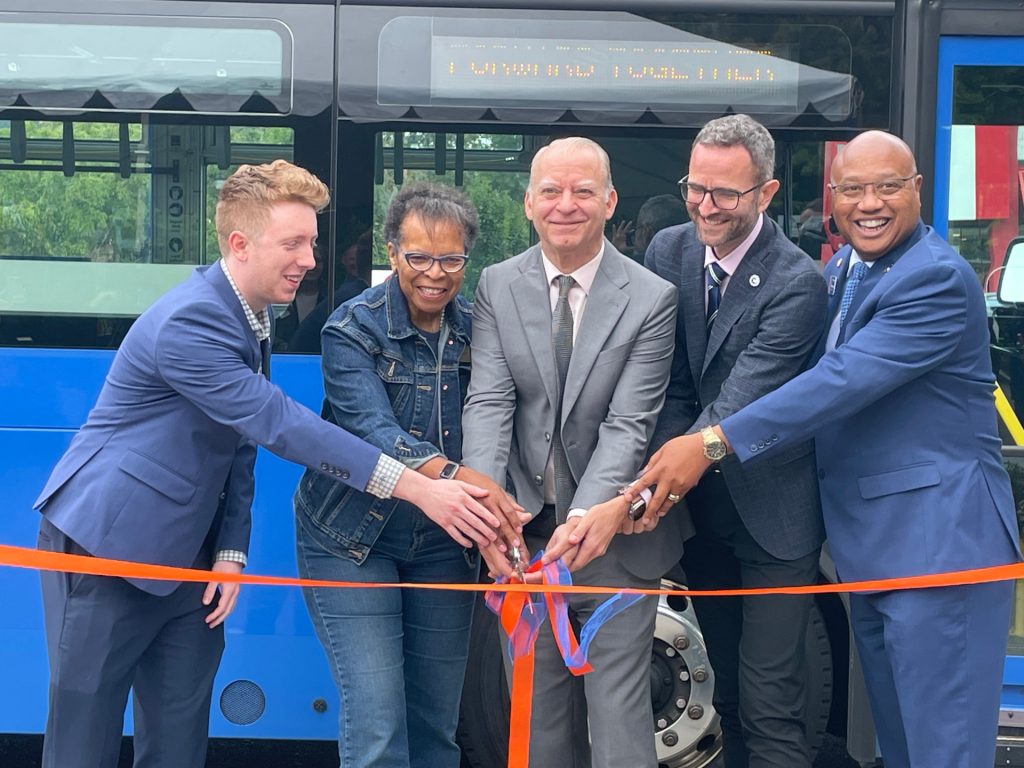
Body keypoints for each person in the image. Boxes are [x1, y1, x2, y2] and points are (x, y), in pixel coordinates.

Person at [33, 160, 497, 768]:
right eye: (294, 243)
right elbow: (277, 423)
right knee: (83, 738)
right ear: (240, 244)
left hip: (189, 563)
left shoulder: (251, 312)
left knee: (177, 742)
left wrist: (229, 549)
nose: (310, 259)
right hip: (104, 547)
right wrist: (416, 486)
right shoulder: (192, 319)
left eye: (311, 241)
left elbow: (237, 442)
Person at [632, 131, 1023, 768]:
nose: (869, 203)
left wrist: (711, 441)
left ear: (916, 189)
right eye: (852, 189)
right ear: (832, 197)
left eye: (888, 187)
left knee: (942, 750)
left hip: (942, 551)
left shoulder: (937, 279)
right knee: (900, 744)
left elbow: (836, 384)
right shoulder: (847, 268)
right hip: (874, 551)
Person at [293, 181, 527, 768]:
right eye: (418, 256)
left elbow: (501, 424)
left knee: (435, 727)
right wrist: (459, 479)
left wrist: (496, 527)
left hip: (444, 548)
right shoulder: (351, 328)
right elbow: (370, 428)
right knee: (377, 724)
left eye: (451, 259)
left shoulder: (480, 331)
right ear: (392, 253)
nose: (435, 274)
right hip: (350, 540)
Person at [461, 137, 678, 768]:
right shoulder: (498, 286)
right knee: (537, 721)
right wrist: (487, 513)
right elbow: (490, 404)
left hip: (613, 535)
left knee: (618, 728)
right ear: (528, 203)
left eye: (583, 191)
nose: (566, 205)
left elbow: (628, 424)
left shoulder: (650, 298)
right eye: (551, 191)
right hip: (521, 537)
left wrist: (584, 523)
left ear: (610, 202)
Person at [640, 114, 827, 768]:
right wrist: (668, 463)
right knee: (721, 689)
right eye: (696, 188)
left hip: (772, 512)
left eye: (725, 194)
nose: (705, 206)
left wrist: (658, 478)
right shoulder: (668, 250)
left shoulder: (798, 283)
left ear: (766, 194)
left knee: (772, 697)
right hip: (703, 516)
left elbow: (737, 402)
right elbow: (668, 380)